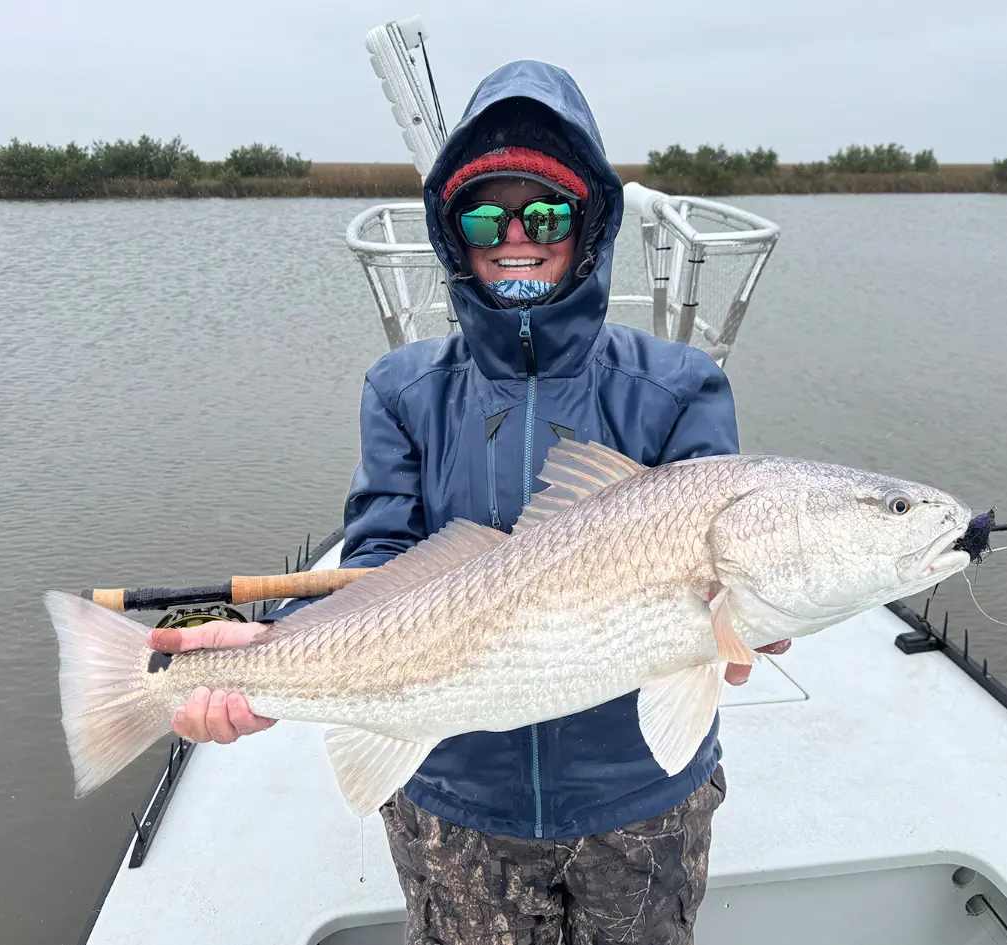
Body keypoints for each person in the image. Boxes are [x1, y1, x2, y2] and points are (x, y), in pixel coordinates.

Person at [150, 59, 790, 944]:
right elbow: (376, 560)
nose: (516, 235)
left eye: (548, 212)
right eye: (486, 214)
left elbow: (719, 557)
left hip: (640, 796)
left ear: (589, 224)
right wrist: (265, 654)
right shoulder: (403, 388)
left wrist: (752, 616)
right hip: (453, 797)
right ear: (454, 234)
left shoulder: (676, 385)